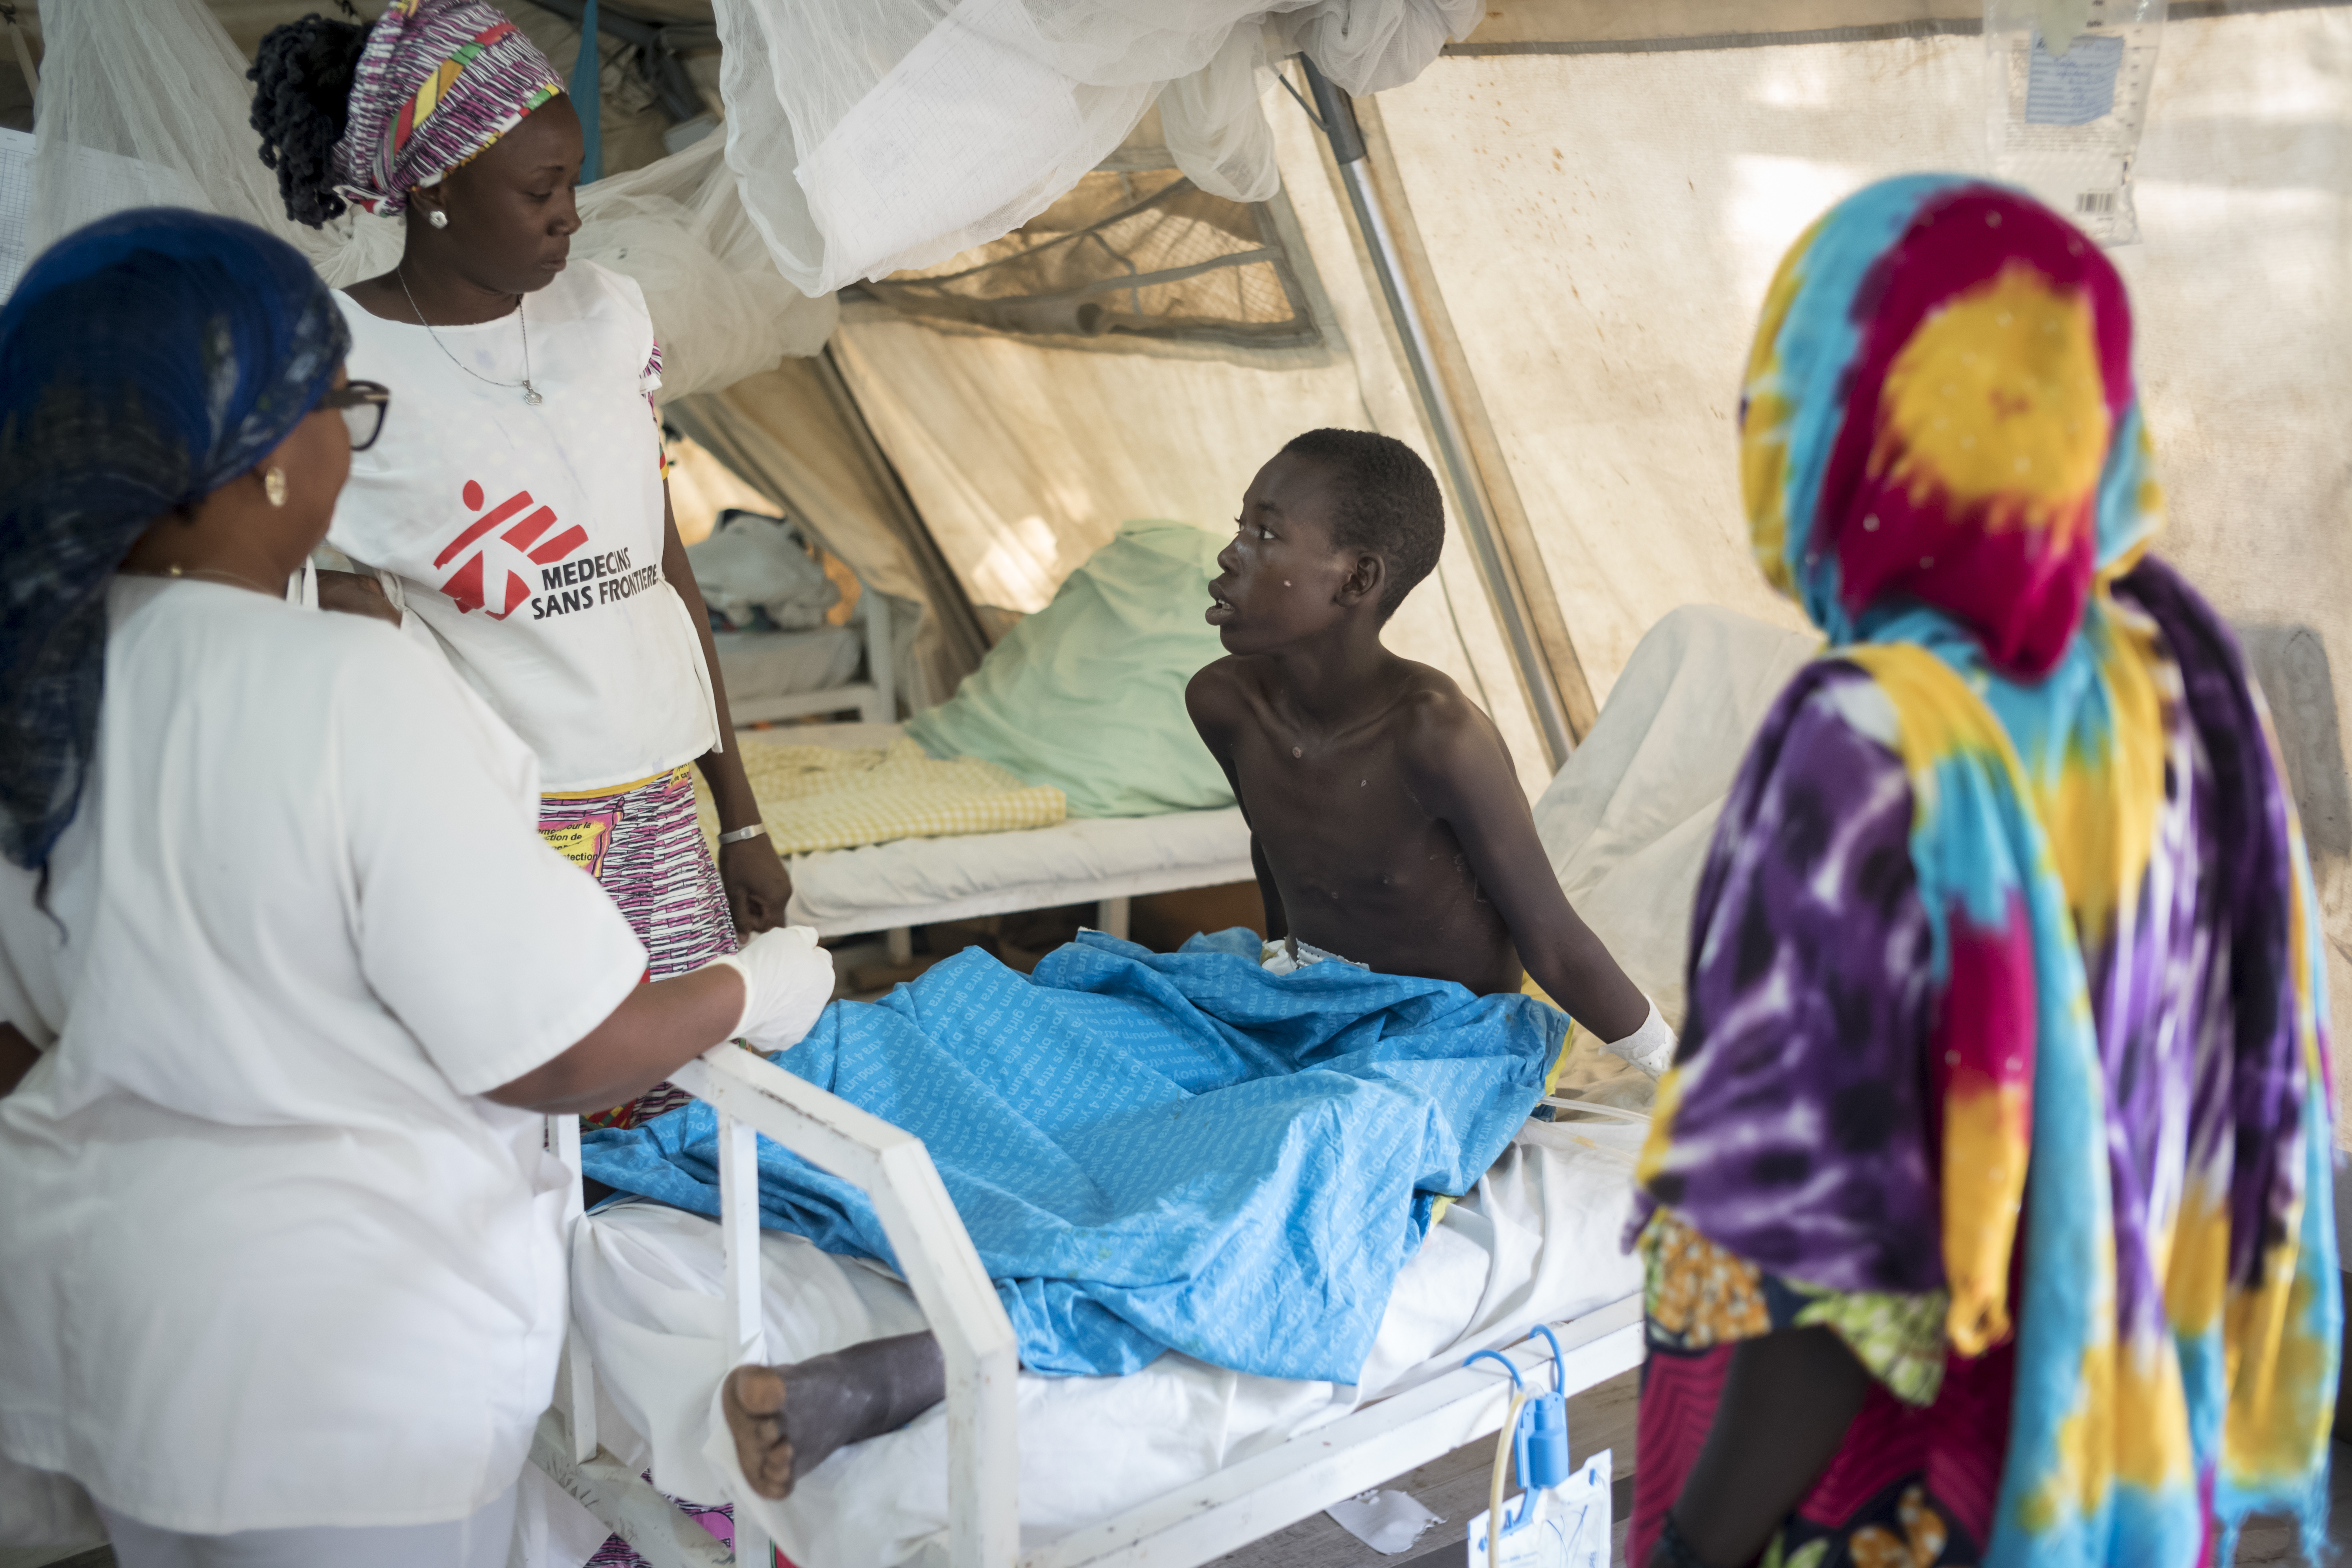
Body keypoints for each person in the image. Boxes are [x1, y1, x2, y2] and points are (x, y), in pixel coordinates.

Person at [0, 209, 833, 1566]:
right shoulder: (345, 691)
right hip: (346, 1358)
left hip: (120, 1332)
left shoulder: (42, 687)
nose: (355, 446)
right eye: (349, 407)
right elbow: (560, 1050)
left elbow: (18, 1043)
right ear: (262, 461)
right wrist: (762, 985)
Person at [702, 429, 1675, 1501]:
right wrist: (1270, 973)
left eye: (1266, 535)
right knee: (991, 1009)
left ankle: (906, 1371)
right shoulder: (1225, 701)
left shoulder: (1439, 735)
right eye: (1240, 526)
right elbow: (1280, 848)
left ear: (1357, 581)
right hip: (1285, 991)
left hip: (1435, 1036)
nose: (1231, 557)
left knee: (1310, 1150)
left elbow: (1554, 939)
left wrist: (1683, 1078)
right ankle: (707, 1122)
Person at [1627, 176, 2339, 1568]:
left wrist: (1696, 1543)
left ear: (1876, 416)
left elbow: (1831, 1266)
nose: (1751, 424)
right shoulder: (2181, 687)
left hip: (1886, 1498)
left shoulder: (1867, 739)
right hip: (2110, 1463)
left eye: (1786, 381)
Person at [248, 0, 791, 1126]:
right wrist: (343, 595)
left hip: (659, 813)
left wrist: (735, 812)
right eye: (539, 193)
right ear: (434, 193)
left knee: (690, 1123)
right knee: (527, 1131)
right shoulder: (337, 362)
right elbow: (254, 580)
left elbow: (661, 568)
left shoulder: (609, 318)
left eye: (572, 181)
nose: (569, 219)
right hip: (502, 836)